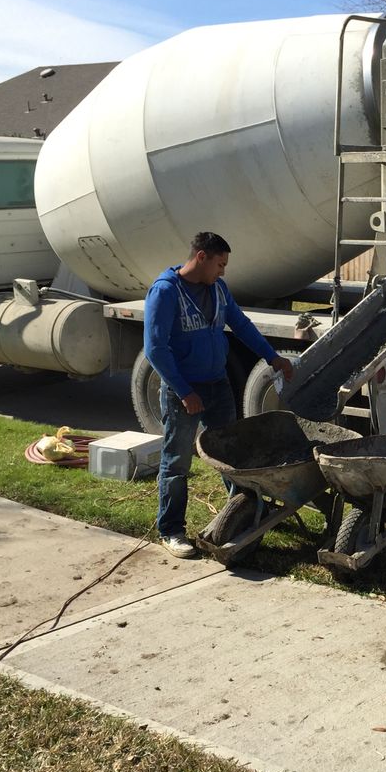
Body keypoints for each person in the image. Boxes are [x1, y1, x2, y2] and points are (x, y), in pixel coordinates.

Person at [144, 231, 293, 558]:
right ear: (201, 257)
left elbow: (240, 325)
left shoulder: (218, 289)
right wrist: (184, 391)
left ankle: (241, 515)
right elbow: (155, 349)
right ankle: (171, 531)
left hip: (217, 384)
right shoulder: (166, 292)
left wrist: (272, 356)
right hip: (185, 391)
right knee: (177, 462)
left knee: (232, 456)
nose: (223, 271)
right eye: (220, 264)